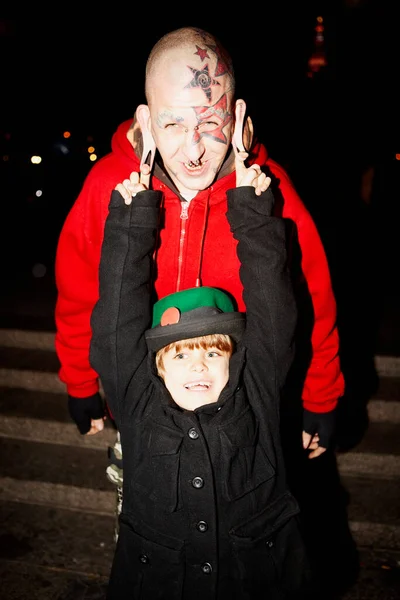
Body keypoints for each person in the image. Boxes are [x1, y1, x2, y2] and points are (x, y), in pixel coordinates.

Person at [54, 25, 347, 587]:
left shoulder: (266, 188)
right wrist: (81, 382)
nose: (192, 150)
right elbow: (80, 294)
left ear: (236, 118)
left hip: (245, 407)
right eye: (173, 125)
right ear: (145, 122)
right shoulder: (111, 188)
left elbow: (310, 296)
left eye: (208, 125)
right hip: (147, 412)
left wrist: (320, 393)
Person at [89, 146, 312, 599]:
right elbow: (116, 323)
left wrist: (252, 211)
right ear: (156, 366)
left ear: (235, 359)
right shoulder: (138, 403)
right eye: (181, 355)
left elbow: (274, 311)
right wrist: (131, 223)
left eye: (213, 353)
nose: (197, 364)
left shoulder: (256, 394)